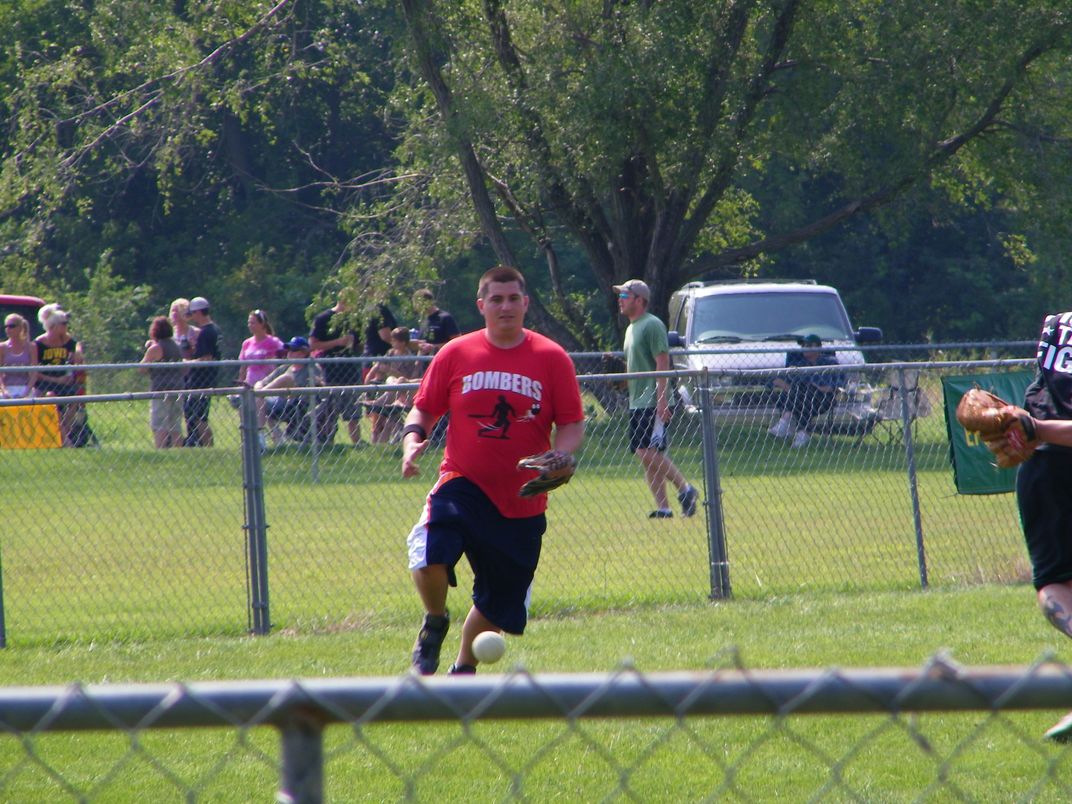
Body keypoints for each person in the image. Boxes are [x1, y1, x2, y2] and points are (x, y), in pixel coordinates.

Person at [402, 265, 585, 675]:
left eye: (513, 298)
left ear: (525, 303)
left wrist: (563, 455)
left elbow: (572, 421)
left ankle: (464, 668)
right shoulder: (456, 352)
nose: (505, 306)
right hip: (463, 481)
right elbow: (426, 406)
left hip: (523, 498)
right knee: (429, 553)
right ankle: (434, 622)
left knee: (497, 603)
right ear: (481, 305)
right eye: (496, 299)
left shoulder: (552, 357)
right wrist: (412, 440)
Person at [984, 312, 1072, 742]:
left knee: (1055, 585)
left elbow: (1041, 407)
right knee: (1055, 581)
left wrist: (1031, 427)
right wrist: (1017, 423)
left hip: (1046, 464)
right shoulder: (1057, 323)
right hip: (1047, 466)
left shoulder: (1057, 322)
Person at [615, 279, 699, 519]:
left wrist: (662, 400)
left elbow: (662, 363)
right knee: (649, 458)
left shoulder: (652, 324)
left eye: (624, 296)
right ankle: (664, 507)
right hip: (638, 400)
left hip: (653, 400)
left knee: (645, 451)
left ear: (639, 300)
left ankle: (685, 489)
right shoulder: (632, 327)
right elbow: (640, 365)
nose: (619, 301)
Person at [767, 333, 844, 449]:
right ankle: (803, 433)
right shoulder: (800, 365)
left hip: (824, 399)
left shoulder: (830, 362)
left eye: (808, 345)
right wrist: (780, 382)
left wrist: (818, 388)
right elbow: (792, 387)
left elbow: (838, 385)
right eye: (803, 346)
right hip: (804, 399)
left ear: (818, 347)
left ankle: (786, 421)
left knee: (805, 391)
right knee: (803, 391)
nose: (804, 348)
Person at [309, 290, 363, 445]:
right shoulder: (323, 319)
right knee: (329, 411)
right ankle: (327, 443)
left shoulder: (355, 319)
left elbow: (360, 344)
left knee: (353, 413)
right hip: (331, 370)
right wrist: (338, 342)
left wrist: (357, 345)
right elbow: (313, 344)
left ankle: (357, 444)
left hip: (352, 371)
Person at [34, 303, 87, 447]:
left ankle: (64, 432)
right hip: (44, 382)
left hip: (62, 383)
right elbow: (35, 373)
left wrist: (78, 351)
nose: (66, 326)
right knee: (51, 396)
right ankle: (65, 440)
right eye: (63, 324)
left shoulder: (67, 341)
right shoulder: (39, 343)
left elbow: (76, 347)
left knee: (75, 398)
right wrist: (56, 379)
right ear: (53, 326)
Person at [364, 327, 424, 444]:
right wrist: (367, 384)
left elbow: (409, 379)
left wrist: (391, 371)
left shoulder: (410, 358)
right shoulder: (390, 353)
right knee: (379, 423)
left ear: (402, 342)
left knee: (396, 380)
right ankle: (377, 448)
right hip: (390, 390)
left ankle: (378, 404)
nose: (391, 343)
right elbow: (376, 368)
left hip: (403, 393)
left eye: (394, 340)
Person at [257, 336, 319, 445]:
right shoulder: (284, 368)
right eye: (288, 349)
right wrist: (258, 388)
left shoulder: (312, 368)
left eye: (294, 350)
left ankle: (258, 395)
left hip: (299, 404)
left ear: (303, 352)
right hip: (280, 403)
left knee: (286, 379)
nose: (289, 353)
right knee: (250, 403)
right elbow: (261, 382)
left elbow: (318, 388)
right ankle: (262, 441)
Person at [139, 316, 186, 448]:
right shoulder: (177, 346)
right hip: (178, 388)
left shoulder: (156, 348)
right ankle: (178, 451)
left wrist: (149, 349)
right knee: (175, 423)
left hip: (161, 390)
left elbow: (142, 369)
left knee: (159, 423)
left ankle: (160, 449)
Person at [184, 296, 222, 447]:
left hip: (202, 379)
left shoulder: (206, 332)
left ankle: (208, 445)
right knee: (195, 414)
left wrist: (186, 362)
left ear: (199, 312)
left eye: (192, 314)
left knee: (199, 417)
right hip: (208, 378)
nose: (191, 317)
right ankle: (202, 444)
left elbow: (207, 358)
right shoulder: (215, 329)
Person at [0, 313, 38, 399]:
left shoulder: (31, 347)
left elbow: (34, 373)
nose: (8, 329)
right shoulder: (2, 347)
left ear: (20, 327)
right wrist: (4, 391)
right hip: (7, 387)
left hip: (25, 386)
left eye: (11, 326)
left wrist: (26, 392)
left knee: (30, 399)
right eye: (6, 326)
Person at [412, 288, 460, 355]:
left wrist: (434, 347)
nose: (416, 307)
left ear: (428, 302)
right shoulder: (424, 320)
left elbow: (457, 342)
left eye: (417, 303)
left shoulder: (445, 318)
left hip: (443, 360)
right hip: (426, 363)